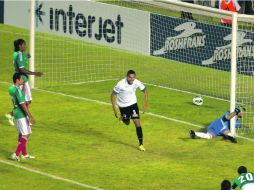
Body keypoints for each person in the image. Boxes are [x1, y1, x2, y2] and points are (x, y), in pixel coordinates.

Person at [5, 39, 43, 126]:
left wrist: (27, 57)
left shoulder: (18, 54)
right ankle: (14, 116)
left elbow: (22, 58)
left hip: (23, 80)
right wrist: (34, 73)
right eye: (24, 45)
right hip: (21, 80)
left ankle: (12, 114)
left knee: (28, 100)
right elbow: (22, 69)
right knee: (21, 101)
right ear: (20, 46)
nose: (25, 46)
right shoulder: (19, 55)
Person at [111, 70, 148, 151]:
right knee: (127, 122)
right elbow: (113, 95)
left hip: (133, 104)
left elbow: (145, 91)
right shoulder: (120, 84)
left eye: (133, 77)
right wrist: (114, 109)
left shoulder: (136, 82)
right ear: (127, 77)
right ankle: (123, 117)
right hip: (123, 106)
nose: (132, 79)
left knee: (137, 123)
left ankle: (141, 144)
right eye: (130, 77)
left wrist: (145, 105)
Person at [10, 73, 36, 161]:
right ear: (17, 80)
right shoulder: (17, 91)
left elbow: (22, 95)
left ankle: (24, 154)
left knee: (22, 133)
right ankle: (16, 154)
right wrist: (30, 116)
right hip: (21, 115)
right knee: (26, 133)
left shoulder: (12, 89)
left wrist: (24, 84)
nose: (23, 80)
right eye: (21, 79)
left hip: (16, 113)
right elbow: (23, 104)